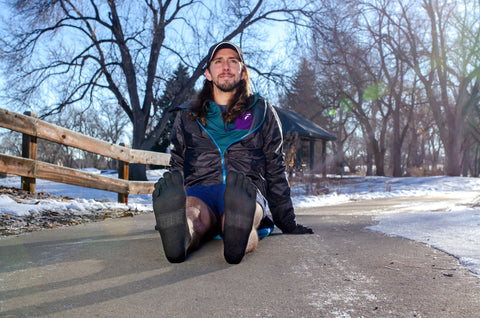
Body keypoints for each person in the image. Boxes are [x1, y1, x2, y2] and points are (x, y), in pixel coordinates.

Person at [152, 41, 313, 264]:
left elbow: (275, 165)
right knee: (192, 214)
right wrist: (172, 212)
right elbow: (177, 164)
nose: (225, 66)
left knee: (243, 218)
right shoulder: (188, 115)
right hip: (200, 189)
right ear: (208, 73)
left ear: (243, 72)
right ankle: (180, 232)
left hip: (245, 188)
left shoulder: (262, 112)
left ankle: (236, 237)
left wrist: (287, 221)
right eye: (218, 61)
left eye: (232, 61)